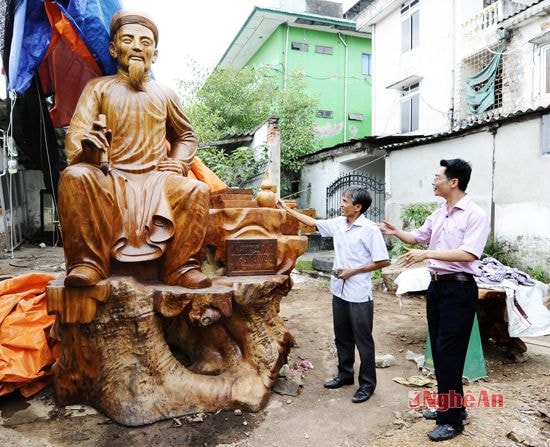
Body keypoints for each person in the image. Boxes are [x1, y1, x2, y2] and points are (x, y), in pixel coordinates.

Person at [58, 11, 211, 289]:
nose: (138, 46)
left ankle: (181, 267)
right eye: (129, 39)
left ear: (156, 52)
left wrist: (178, 163)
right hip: (111, 175)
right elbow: (77, 134)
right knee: (75, 177)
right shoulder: (98, 89)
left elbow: (186, 134)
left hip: (156, 179)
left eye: (146, 41)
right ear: (114, 49)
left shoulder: (164, 94)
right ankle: (87, 263)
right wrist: (89, 147)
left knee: (196, 191)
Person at [379, 159, 490, 442]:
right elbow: (418, 237)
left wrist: (428, 255)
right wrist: (396, 232)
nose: (433, 181)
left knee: (450, 354)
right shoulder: (440, 213)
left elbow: (468, 254)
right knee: (440, 354)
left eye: (437, 177)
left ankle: (451, 421)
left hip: (459, 290)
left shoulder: (475, 214)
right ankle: (452, 407)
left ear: (453, 182)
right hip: (437, 288)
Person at [277, 187, 389, 403]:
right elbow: (312, 223)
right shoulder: (338, 223)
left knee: (363, 340)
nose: (341, 204)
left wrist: (353, 271)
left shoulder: (369, 229)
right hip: (339, 289)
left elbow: (383, 260)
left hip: (358, 293)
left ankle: (367, 385)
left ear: (357, 207)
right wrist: (285, 208)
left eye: (345, 201)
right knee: (342, 336)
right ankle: (345, 375)